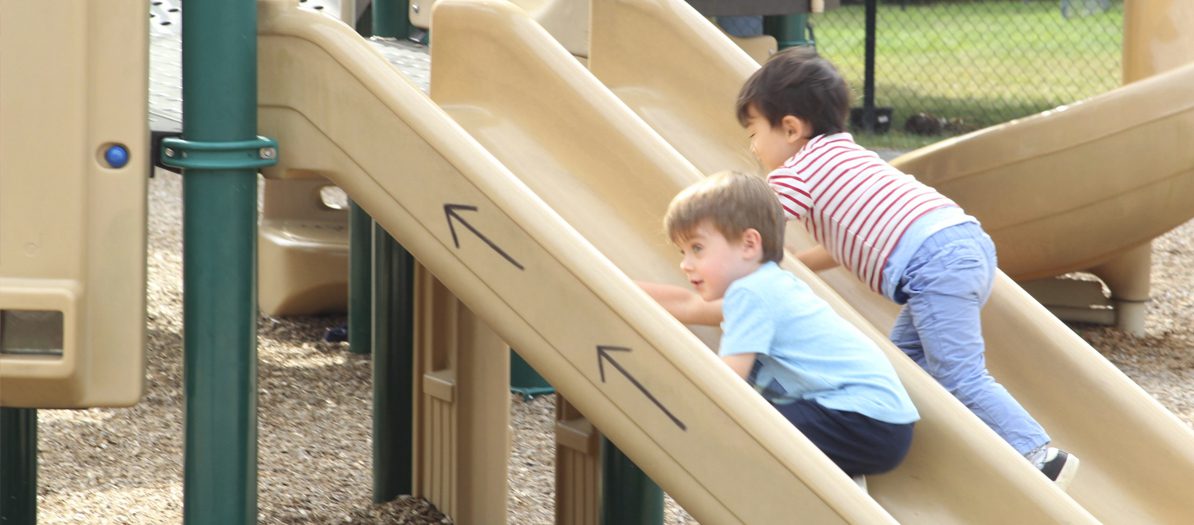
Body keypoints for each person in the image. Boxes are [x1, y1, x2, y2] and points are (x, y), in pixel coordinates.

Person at [734, 46, 1078, 486]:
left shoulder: (794, 171)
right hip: (961, 244)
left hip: (932, 264)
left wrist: (732, 252)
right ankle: (853, 455)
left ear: (790, 127)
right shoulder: (846, 154)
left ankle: (1039, 453)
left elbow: (757, 228)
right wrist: (798, 265)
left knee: (958, 373)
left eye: (753, 132)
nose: (753, 147)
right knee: (901, 366)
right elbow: (849, 241)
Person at [641, 171, 919, 480]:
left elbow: (725, 380)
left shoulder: (751, 294)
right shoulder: (772, 285)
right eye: (683, 252)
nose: (685, 263)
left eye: (697, 248)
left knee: (739, 428)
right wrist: (617, 287)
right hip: (877, 424)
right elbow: (689, 305)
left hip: (859, 421)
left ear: (749, 244)